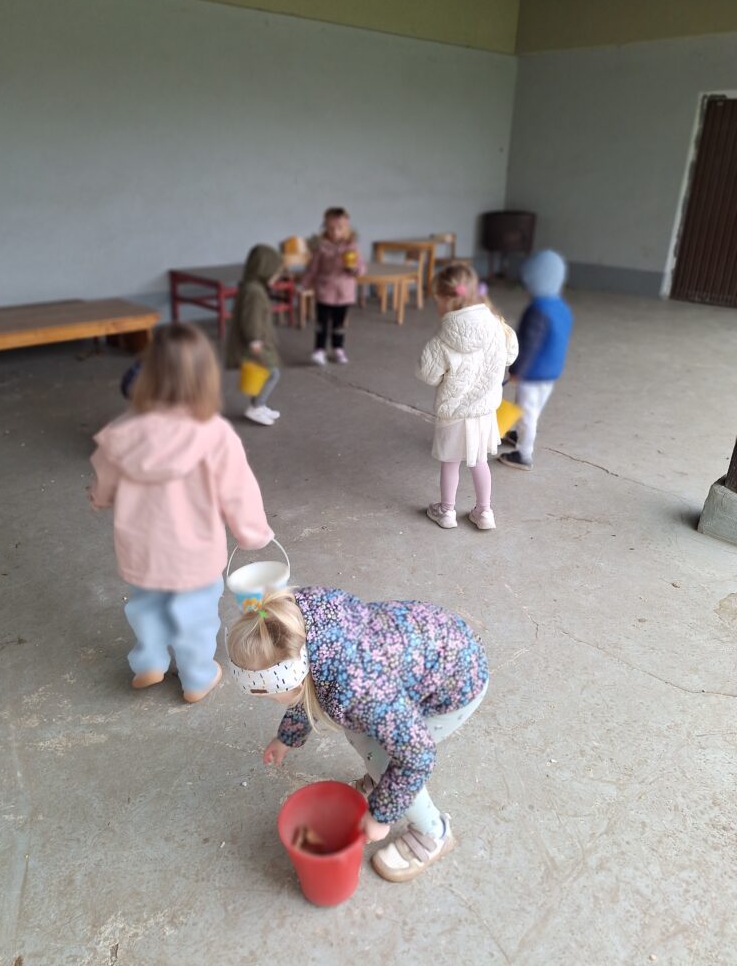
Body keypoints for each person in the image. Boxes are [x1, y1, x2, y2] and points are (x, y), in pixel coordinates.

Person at [226, 586, 489, 883]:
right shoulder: (301, 630)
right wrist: (287, 736)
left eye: (270, 696)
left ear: (294, 682)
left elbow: (417, 756)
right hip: (429, 647)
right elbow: (308, 694)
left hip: (457, 684)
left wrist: (380, 816)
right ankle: (383, 783)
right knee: (361, 733)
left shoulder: (360, 691)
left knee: (390, 761)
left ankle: (434, 833)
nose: (270, 701)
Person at [89, 322, 273, 703]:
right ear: (206, 378)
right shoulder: (216, 434)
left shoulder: (123, 430)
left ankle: (149, 662)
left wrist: (100, 497)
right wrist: (252, 532)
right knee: (195, 615)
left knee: (146, 605)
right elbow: (238, 491)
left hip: (141, 548)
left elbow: (105, 477)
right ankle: (197, 677)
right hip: (194, 554)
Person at [417, 262, 518, 530]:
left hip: (454, 411)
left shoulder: (442, 339)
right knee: (480, 461)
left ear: (446, 299)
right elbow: (510, 354)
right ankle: (484, 512)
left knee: (450, 463)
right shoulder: (497, 325)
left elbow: (428, 374)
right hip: (484, 411)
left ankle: (446, 511)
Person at [499, 250, 573, 471]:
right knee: (533, 408)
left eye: (528, 285)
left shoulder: (537, 311)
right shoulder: (562, 308)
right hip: (551, 371)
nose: (526, 290)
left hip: (532, 373)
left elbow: (529, 345)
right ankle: (518, 435)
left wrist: (517, 370)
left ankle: (523, 455)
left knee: (528, 413)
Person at [227, 244, 285, 427]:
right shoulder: (254, 292)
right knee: (271, 373)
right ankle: (256, 407)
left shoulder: (253, 287)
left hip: (258, 340)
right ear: (264, 270)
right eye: (275, 274)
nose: (276, 278)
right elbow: (251, 318)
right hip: (255, 342)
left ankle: (260, 404)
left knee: (264, 373)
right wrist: (254, 340)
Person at [302, 207, 365, 366]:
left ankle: (338, 348)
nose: (335, 232)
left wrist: (354, 269)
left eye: (339, 228)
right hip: (324, 291)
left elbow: (361, 269)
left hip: (344, 293)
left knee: (339, 324)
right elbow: (312, 269)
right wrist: (303, 284)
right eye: (330, 228)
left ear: (347, 228)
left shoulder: (352, 247)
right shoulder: (321, 247)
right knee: (321, 323)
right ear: (325, 227)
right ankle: (319, 350)